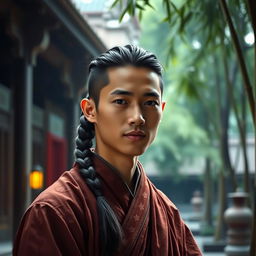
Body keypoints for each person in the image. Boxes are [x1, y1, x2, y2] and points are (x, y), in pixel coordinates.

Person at [13, 45, 202, 256]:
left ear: (162, 110)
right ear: (90, 110)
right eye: (121, 101)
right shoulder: (55, 212)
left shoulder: (167, 213)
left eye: (150, 102)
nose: (138, 117)